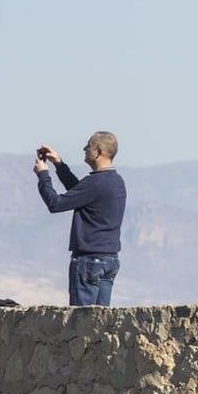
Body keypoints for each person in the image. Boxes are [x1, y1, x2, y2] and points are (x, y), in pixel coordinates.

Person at [33, 131, 126, 306]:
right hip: (109, 260)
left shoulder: (95, 183)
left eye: (88, 146)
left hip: (89, 262)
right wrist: (59, 164)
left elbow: (56, 204)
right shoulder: (116, 181)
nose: (84, 149)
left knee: (82, 323)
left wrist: (43, 175)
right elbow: (80, 193)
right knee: (99, 323)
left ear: (97, 152)